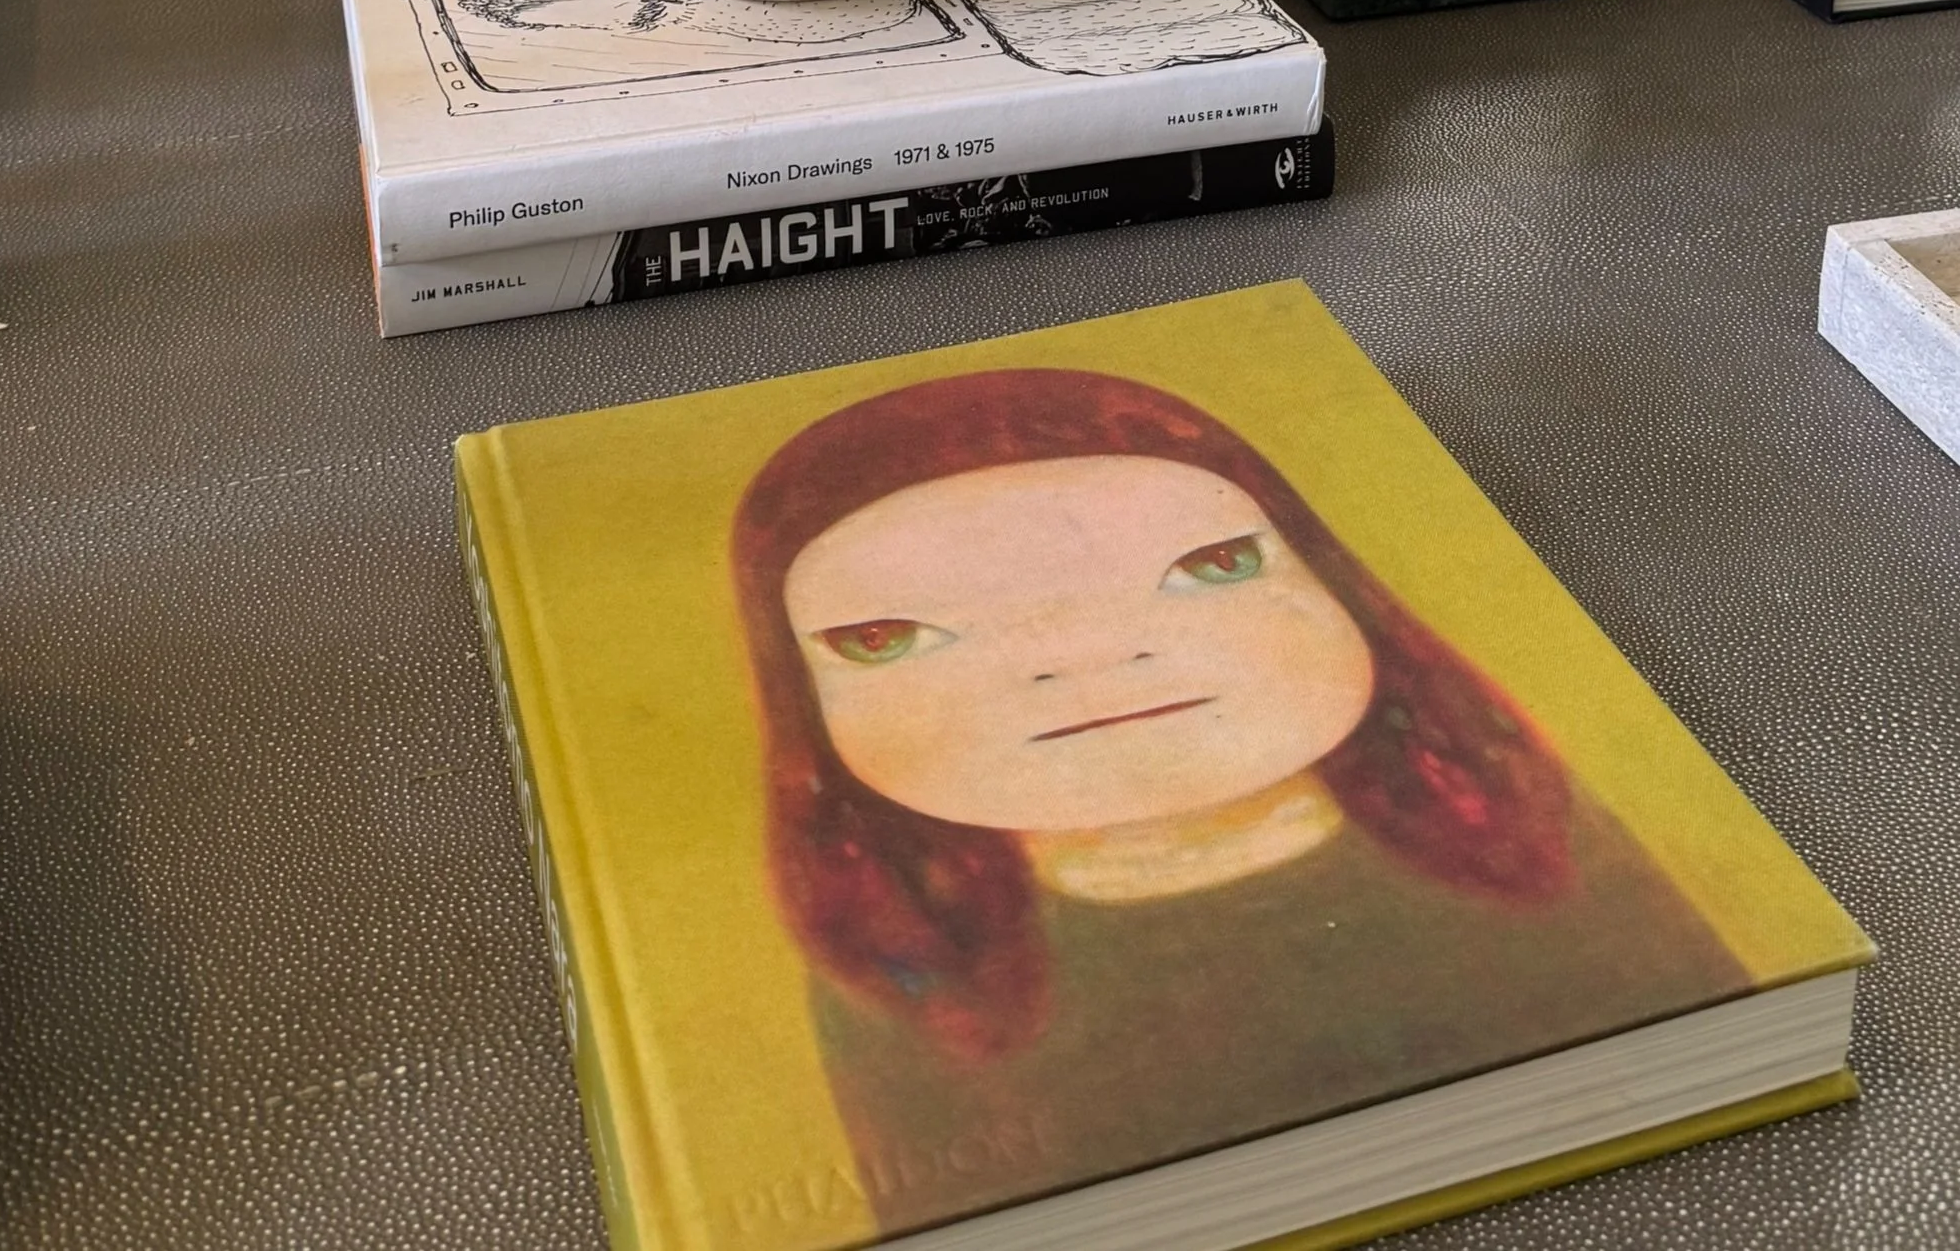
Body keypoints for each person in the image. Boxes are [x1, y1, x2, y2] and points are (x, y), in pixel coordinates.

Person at [732, 366, 1748, 1234]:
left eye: (1211, 566)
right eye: (887, 635)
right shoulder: (908, 952)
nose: (1087, 659)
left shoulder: (1527, 834)